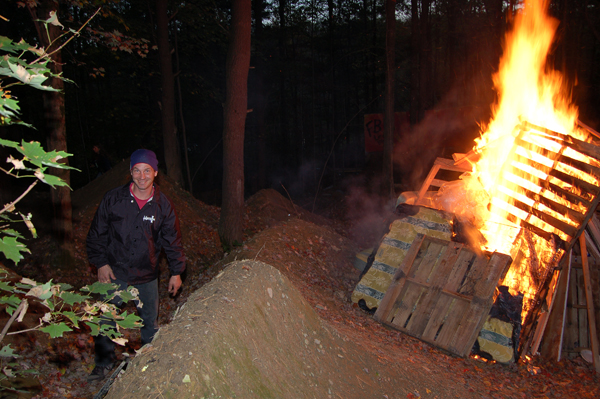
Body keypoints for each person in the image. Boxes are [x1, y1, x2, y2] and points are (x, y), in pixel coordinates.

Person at [86, 149, 185, 381]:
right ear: (131, 172)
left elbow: (173, 240)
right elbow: (96, 234)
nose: (142, 176)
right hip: (114, 272)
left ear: (156, 173)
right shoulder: (113, 199)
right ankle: (103, 364)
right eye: (137, 170)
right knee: (106, 317)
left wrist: (176, 271)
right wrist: (100, 263)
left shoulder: (163, 205)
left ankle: (149, 364)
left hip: (146, 274)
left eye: (147, 170)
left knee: (150, 322)